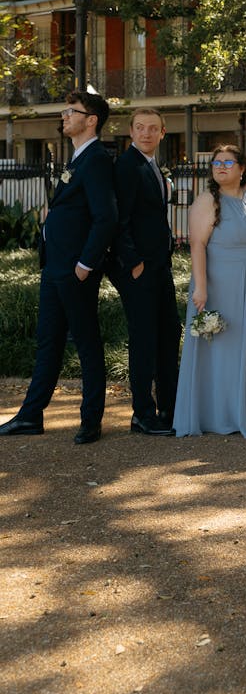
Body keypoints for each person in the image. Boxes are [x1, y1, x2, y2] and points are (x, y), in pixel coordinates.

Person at [0, 91, 117, 445]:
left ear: (91, 119)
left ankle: (90, 420)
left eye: (71, 111)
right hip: (54, 266)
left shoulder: (96, 159)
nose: (64, 115)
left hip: (74, 270)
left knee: (86, 343)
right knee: (48, 342)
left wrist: (85, 264)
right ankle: (30, 416)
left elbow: (106, 217)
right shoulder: (76, 158)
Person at [173, 145, 246, 437]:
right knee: (226, 349)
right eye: (216, 163)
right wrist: (200, 288)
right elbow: (197, 246)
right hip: (222, 284)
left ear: (242, 168)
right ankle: (221, 413)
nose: (221, 167)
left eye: (228, 162)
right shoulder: (206, 201)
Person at [109, 108, 180, 436]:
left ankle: (169, 407)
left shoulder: (151, 165)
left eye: (153, 128)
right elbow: (118, 220)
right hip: (139, 270)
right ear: (132, 132)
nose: (146, 133)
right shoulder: (126, 166)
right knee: (144, 341)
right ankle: (142, 414)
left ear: (163, 132)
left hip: (159, 266)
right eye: (140, 128)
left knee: (168, 335)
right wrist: (133, 262)